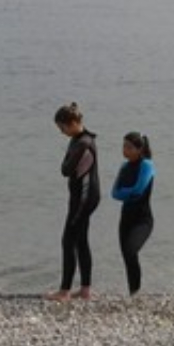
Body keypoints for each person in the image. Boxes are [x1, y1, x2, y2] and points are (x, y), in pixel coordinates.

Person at [47, 103, 100, 301]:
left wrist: (67, 160)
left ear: (73, 123)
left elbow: (65, 170)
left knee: (68, 240)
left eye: (62, 128)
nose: (61, 132)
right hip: (85, 196)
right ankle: (85, 290)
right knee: (81, 240)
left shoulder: (82, 143)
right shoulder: (81, 139)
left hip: (84, 198)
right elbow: (68, 167)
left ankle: (64, 291)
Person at [110, 132, 156, 296]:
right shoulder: (124, 167)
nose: (125, 150)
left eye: (129, 147)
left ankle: (136, 292)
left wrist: (125, 192)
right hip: (126, 219)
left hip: (143, 220)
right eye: (124, 146)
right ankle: (133, 293)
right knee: (127, 257)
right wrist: (126, 193)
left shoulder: (147, 165)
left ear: (139, 149)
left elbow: (139, 189)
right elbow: (114, 193)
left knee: (131, 251)